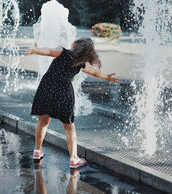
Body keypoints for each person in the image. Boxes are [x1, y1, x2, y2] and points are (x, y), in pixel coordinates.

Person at [25, 37, 119, 168]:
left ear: (75, 44)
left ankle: (37, 150)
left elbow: (48, 51)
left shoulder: (62, 52)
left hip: (47, 87)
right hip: (64, 92)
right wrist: (107, 77)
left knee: (43, 120)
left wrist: (36, 50)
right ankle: (74, 158)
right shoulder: (80, 63)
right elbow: (96, 73)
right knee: (68, 126)